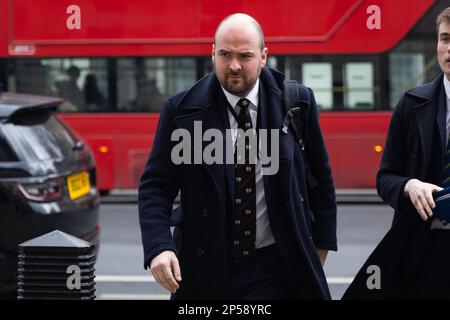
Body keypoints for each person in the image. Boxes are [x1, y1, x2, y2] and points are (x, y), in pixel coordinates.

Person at [138, 13, 337, 300]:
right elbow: (156, 186)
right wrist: (159, 246)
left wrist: (318, 249)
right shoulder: (180, 110)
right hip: (203, 265)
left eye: (245, 56)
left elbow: (321, 181)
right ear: (212, 53)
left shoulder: (297, 103)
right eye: (225, 54)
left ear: (263, 56)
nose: (233, 66)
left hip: (276, 267)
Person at [343, 7, 450, 299]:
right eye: (444, 39)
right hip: (421, 252)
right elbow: (385, 177)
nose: (448, 48)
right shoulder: (411, 104)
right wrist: (408, 186)